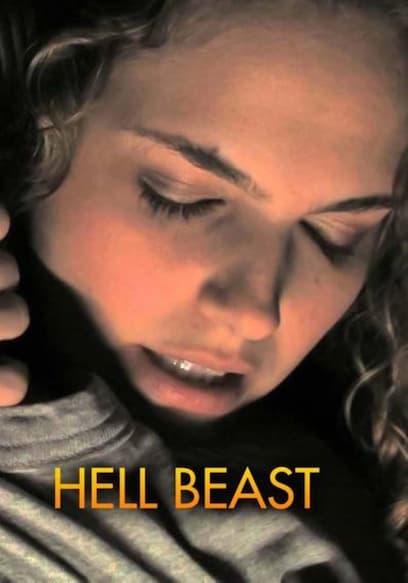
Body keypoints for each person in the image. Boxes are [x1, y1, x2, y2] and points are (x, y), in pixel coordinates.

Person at [0, 0, 406, 580]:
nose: (255, 312)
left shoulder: (345, 468)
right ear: (33, 138)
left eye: (336, 234)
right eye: (182, 198)